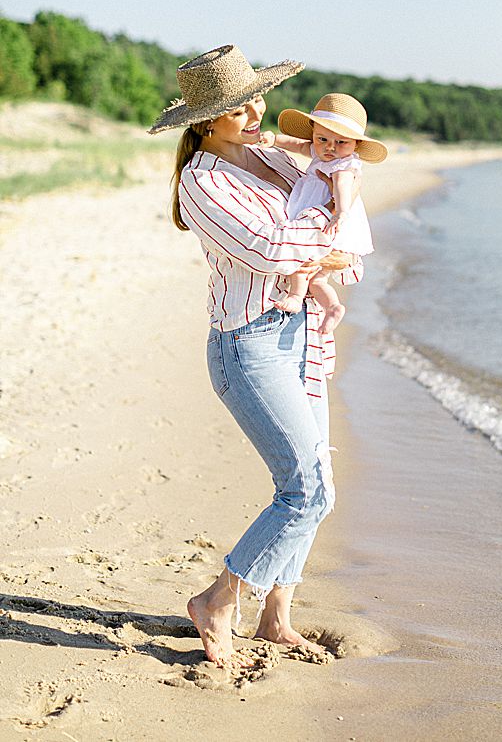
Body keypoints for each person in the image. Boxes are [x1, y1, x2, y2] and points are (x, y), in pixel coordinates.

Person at [149, 44, 360, 667]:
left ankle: (276, 615)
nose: (251, 111)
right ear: (203, 121)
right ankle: (219, 598)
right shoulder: (203, 182)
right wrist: (328, 237)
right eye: (232, 106)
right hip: (248, 346)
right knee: (308, 489)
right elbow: (272, 252)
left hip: (298, 336)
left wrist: (329, 243)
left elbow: (340, 242)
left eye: (253, 97)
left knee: (311, 479)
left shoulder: (273, 159)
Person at [263, 92, 386, 333]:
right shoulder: (320, 152)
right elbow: (297, 145)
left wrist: (339, 212)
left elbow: (342, 187)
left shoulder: (344, 165)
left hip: (329, 220)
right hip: (322, 215)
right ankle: (332, 307)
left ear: (356, 144)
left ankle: (296, 296)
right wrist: (274, 139)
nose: (330, 147)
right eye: (322, 139)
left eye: (341, 142)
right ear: (314, 135)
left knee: (303, 258)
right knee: (318, 277)